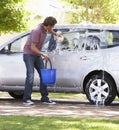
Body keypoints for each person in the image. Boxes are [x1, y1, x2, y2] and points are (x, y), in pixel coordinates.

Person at [23, 16, 57, 105]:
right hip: (29, 55)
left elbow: (50, 31)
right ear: (49, 25)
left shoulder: (45, 29)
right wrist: (43, 54)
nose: (52, 28)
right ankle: (26, 99)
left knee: (44, 75)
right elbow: (32, 47)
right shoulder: (36, 31)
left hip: (37, 55)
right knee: (30, 76)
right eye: (52, 26)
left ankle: (45, 98)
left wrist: (55, 34)